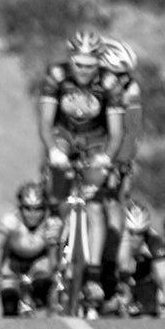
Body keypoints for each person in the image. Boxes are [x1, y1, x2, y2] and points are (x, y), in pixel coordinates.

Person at [38, 30, 125, 311]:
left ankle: (93, 276)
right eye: (78, 64)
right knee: (57, 196)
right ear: (70, 60)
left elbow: (117, 131)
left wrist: (107, 158)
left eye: (90, 66)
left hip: (95, 142)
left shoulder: (110, 84)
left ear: (98, 63)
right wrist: (53, 149)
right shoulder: (56, 76)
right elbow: (45, 123)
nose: (84, 71)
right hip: (64, 136)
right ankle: (53, 249)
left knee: (95, 208)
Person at [98, 38, 142, 303]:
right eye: (119, 76)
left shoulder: (131, 90)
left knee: (115, 203)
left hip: (113, 155)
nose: (124, 81)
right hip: (87, 146)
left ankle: (108, 269)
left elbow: (133, 131)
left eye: (127, 76)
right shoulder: (89, 85)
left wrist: (121, 163)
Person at [0, 181, 64, 316]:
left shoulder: (51, 223)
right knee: (9, 305)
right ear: (20, 208)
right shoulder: (10, 220)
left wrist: (54, 273)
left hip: (39, 263)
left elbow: (53, 255)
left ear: (45, 208)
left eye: (38, 208)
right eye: (28, 208)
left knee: (41, 289)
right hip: (13, 264)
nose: (33, 214)